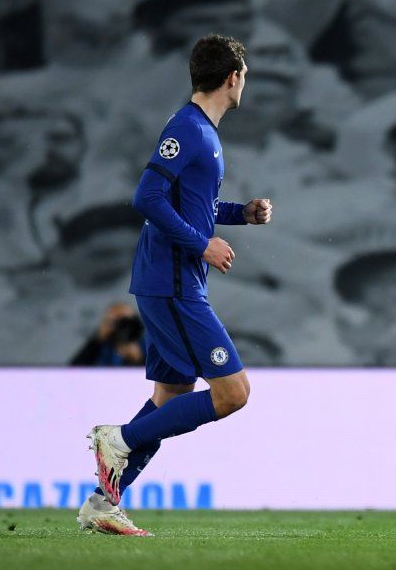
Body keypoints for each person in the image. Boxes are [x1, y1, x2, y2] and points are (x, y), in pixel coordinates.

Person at [80, 34, 273, 536]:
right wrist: (202, 245)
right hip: (172, 283)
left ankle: (103, 502)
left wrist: (242, 214)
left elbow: (192, 205)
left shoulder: (200, 130)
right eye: (244, 76)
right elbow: (147, 197)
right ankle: (119, 439)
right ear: (233, 77)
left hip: (168, 279)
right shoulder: (190, 128)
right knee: (233, 393)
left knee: (172, 395)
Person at [70, 303, 145, 367]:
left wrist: (138, 359)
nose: (121, 326)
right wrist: (97, 341)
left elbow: (150, 375)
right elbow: (73, 372)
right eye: (115, 322)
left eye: (125, 321)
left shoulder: (146, 342)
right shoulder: (100, 344)